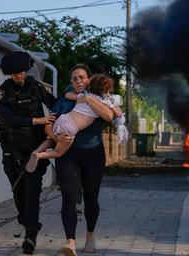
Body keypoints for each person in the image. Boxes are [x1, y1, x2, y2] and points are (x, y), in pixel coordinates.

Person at [0, 51, 57, 255]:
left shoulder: (37, 87)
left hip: (35, 150)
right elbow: (8, 120)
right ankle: (27, 221)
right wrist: (38, 121)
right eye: (14, 75)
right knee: (18, 191)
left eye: (21, 73)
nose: (19, 77)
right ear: (9, 75)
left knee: (32, 191)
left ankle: (30, 235)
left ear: (26, 70)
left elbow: (55, 104)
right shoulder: (2, 92)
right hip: (12, 150)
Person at [49, 65, 115, 256]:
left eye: (82, 77)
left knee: (91, 198)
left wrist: (87, 98)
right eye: (74, 78)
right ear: (71, 82)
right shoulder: (63, 102)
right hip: (68, 155)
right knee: (68, 197)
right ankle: (70, 242)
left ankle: (90, 236)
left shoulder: (102, 99)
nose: (78, 80)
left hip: (93, 155)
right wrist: (56, 138)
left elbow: (109, 116)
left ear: (89, 79)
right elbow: (49, 126)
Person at [25, 74, 123, 172]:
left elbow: (67, 95)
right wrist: (114, 105)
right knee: (59, 152)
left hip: (63, 119)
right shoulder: (104, 102)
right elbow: (116, 113)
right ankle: (39, 155)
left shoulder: (84, 95)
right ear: (105, 91)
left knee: (51, 139)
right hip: (70, 128)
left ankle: (36, 151)